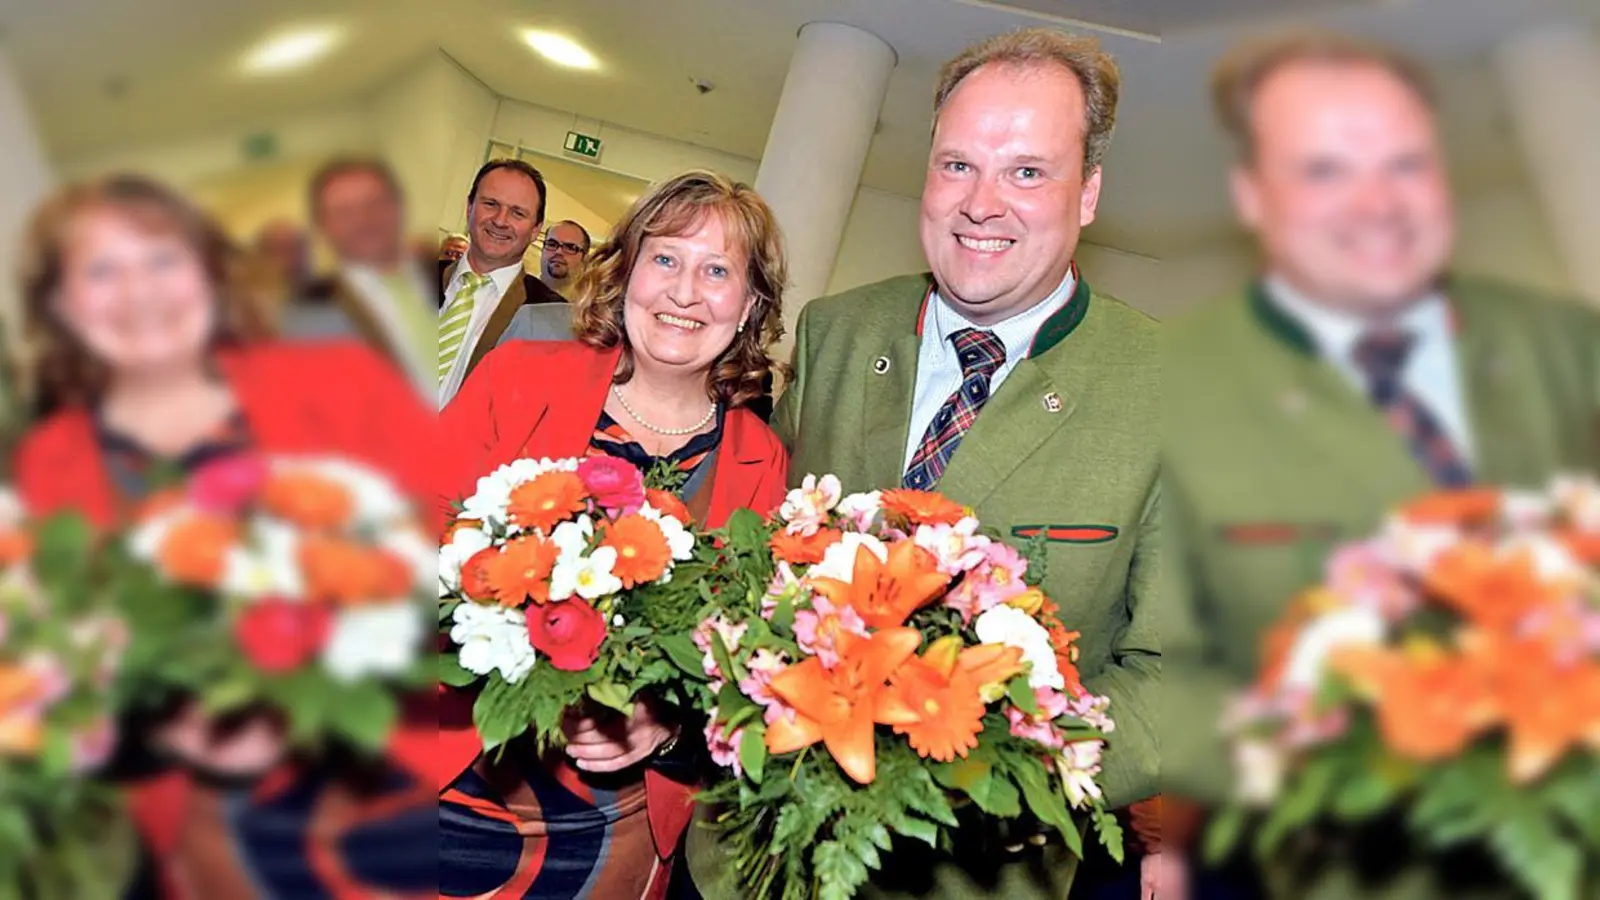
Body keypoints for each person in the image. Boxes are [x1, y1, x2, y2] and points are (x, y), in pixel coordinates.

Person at [689, 26, 1161, 900]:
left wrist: (995, 776)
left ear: (1087, 192)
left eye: (1028, 170)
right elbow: (753, 559)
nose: (982, 203)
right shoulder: (836, 331)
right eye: (956, 166)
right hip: (753, 853)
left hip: (977, 867)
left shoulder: (1168, 388)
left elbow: (1177, 670)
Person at [1161, 30, 1600, 900]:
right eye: (1323, 171)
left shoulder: (1566, 349)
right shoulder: (1177, 389)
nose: (1377, 203)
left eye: (1405, 163)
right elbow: (1161, 674)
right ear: (1253, 195)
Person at [11, 174, 441, 900]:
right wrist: (167, 729)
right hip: (207, 828)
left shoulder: (341, 381)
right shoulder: (50, 459)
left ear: (209, 269)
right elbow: (65, 671)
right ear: (59, 305)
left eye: (161, 259)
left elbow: (454, 569)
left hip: (393, 794)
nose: (139, 293)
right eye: (101, 271)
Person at [434, 168, 789, 900]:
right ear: (626, 270)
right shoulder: (519, 376)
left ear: (750, 303)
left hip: (611, 823)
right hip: (453, 773)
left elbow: (750, 656)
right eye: (665, 258)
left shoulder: (763, 459)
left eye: (717, 270)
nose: (685, 292)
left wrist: (663, 722)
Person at [286, 157, 437, 399]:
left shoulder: (451, 276)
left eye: (374, 203)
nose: (364, 220)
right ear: (322, 226)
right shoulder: (307, 317)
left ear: (399, 205)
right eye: (344, 212)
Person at [437, 159, 566, 405]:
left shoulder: (549, 318)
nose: (500, 220)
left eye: (518, 213)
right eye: (490, 204)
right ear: (469, 207)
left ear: (535, 229)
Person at [540, 219, 592, 300]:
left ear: (584, 259)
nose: (558, 251)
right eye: (552, 244)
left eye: (570, 248)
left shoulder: (587, 308)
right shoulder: (517, 290)